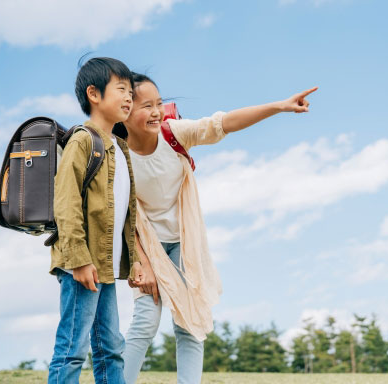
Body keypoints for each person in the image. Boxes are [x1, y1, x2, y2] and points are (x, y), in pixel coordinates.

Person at [118, 72, 317, 384]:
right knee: (145, 323)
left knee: (191, 325)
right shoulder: (118, 156)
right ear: (125, 110)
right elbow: (123, 216)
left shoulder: (174, 134)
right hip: (147, 247)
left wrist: (280, 106)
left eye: (159, 103)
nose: (156, 111)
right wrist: (141, 261)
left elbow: (223, 123)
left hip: (185, 242)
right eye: (146, 106)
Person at [48, 57, 143, 384]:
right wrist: (78, 259)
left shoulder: (120, 148)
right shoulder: (83, 140)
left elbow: (125, 214)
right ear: (94, 93)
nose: (129, 97)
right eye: (121, 89)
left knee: (110, 348)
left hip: (104, 265)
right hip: (82, 265)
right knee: (72, 348)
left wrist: (135, 261)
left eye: (131, 91)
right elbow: (66, 202)